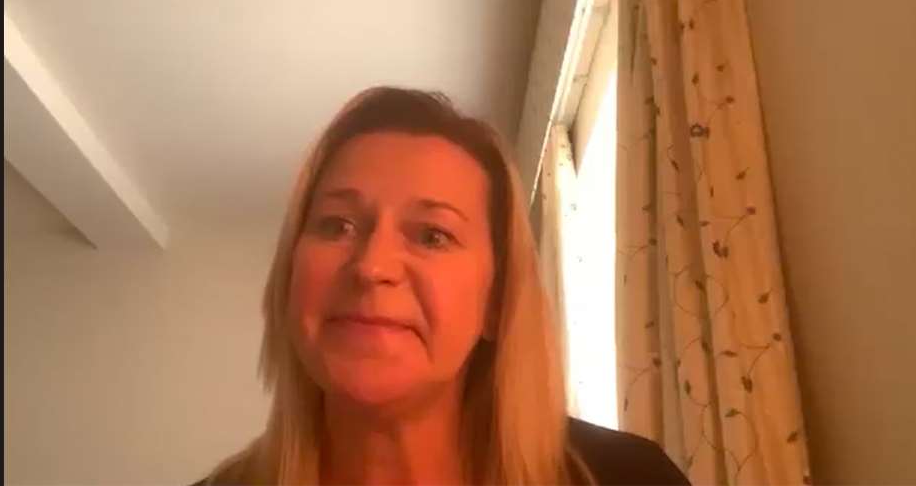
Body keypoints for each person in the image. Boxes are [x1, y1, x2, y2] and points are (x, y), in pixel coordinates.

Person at [200, 87, 686, 486]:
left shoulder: (629, 477)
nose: (371, 267)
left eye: (433, 235)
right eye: (337, 225)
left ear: (496, 302)